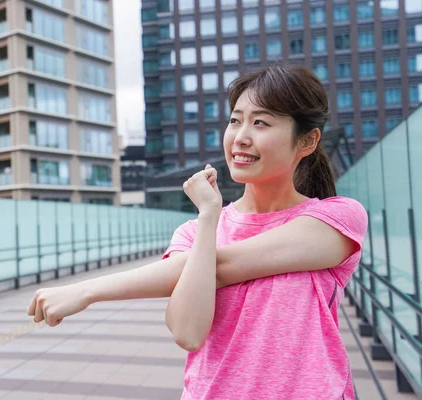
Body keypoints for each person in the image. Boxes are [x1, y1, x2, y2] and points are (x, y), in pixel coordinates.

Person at [26, 64, 368, 400]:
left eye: (260, 122)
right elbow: (188, 332)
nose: (241, 137)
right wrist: (208, 219)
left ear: (307, 141)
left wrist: (88, 290)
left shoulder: (336, 218)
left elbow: (221, 267)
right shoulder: (192, 233)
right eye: (235, 120)